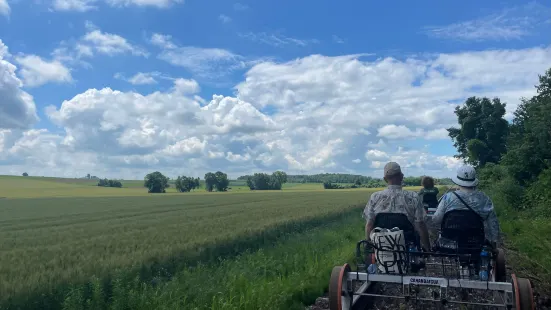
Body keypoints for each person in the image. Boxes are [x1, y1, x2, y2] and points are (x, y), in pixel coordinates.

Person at [363, 162, 431, 251]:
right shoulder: (413, 197)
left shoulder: (375, 197)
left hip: (381, 246)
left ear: (385, 179)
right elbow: (420, 225)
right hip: (406, 246)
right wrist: (427, 248)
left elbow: (369, 224)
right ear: (401, 176)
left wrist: (368, 245)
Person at [432, 165, 500, 247]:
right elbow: (493, 222)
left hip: (449, 241)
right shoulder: (484, 198)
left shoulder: (448, 197)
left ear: (458, 181)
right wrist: (493, 241)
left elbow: (436, 220)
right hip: (476, 242)